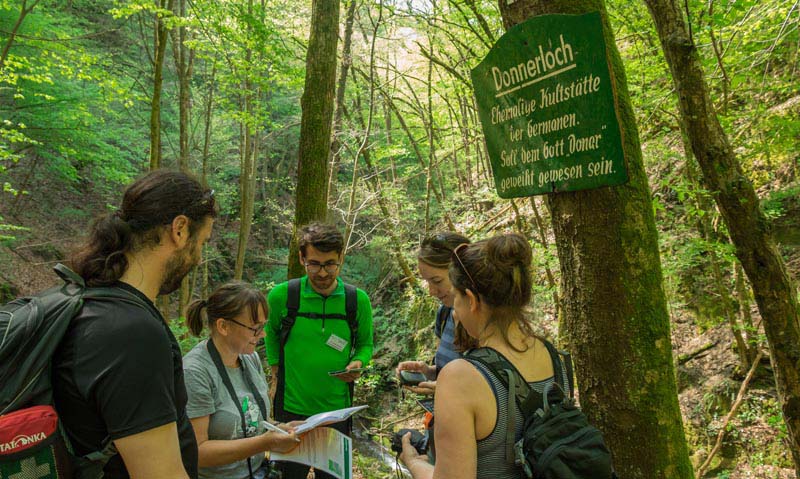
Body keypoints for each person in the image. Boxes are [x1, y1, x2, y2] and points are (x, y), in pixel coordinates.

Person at [53, 169, 216, 478]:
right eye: (202, 243)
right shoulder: (131, 334)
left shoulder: (88, 300)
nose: (198, 259)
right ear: (179, 230)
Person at [399, 234, 562, 479]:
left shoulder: (460, 377)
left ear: (472, 301)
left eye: (457, 297)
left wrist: (413, 462)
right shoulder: (549, 353)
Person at [265, 222, 374, 479]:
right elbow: (269, 334)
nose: (323, 273)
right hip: (291, 411)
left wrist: (358, 362)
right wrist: (275, 372)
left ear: (341, 260)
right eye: (314, 264)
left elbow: (365, 344)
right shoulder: (283, 296)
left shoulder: (356, 300)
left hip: (336, 412)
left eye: (330, 264)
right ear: (302, 259)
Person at [183, 282, 302, 479]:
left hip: (256, 471)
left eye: (263, 326)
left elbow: (253, 419)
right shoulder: (196, 372)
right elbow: (198, 452)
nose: (262, 334)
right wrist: (266, 442)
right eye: (255, 328)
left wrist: (278, 428)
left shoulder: (249, 357)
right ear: (223, 326)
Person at [396, 232, 473, 395]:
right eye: (427, 282)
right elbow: (447, 372)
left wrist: (448, 391)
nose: (431, 291)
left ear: (463, 274)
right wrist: (429, 372)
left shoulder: (486, 322)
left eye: (437, 281)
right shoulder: (445, 313)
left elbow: (495, 387)